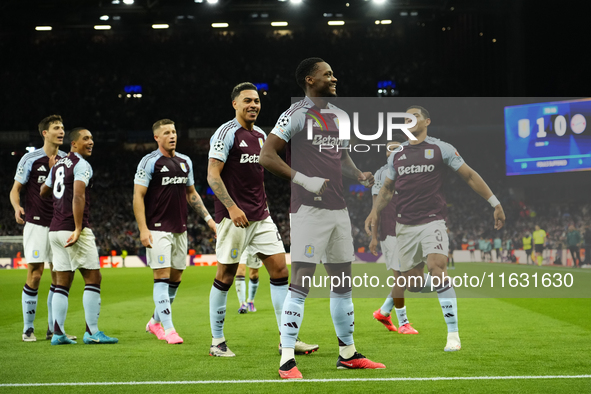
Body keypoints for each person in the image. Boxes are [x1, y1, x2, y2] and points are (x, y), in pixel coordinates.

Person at [260, 58, 385, 379]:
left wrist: (358, 173)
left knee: (343, 282)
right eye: (327, 74)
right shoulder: (296, 115)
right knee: (302, 279)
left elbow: (340, 155)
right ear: (309, 79)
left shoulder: (339, 116)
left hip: (338, 209)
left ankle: (347, 353)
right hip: (308, 210)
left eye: (333, 73)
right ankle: (286, 359)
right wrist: (304, 180)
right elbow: (266, 155)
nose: (334, 77)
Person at [365, 105, 505, 353]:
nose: (410, 119)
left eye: (415, 115)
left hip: (433, 220)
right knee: (413, 283)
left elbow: (470, 176)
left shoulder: (441, 148)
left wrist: (494, 202)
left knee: (436, 267)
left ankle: (453, 335)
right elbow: (386, 190)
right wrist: (374, 213)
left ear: (427, 121)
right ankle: (445, 286)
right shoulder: (396, 155)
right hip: (404, 226)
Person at [207, 82, 318, 358]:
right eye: (247, 101)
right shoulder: (225, 133)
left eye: (256, 101)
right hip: (234, 217)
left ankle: (287, 339)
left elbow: (259, 179)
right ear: (235, 104)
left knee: (280, 270)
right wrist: (231, 207)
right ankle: (217, 341)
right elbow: (212, 175)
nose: (253, 105)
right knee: (226, 276)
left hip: (261, 216)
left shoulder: (260, 135)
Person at [134, 119, 216, 345]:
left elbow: (191, 194)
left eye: (174, 131)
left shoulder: (185, 161)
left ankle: (154, 321)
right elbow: (138, 196)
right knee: (161, 277)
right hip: (157, 229)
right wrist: (143, 229)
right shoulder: (149, 162)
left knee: (176, 277)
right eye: (166, 133)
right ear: (156, 138)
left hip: (180, 229)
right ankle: (169, 329)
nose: (172, 135)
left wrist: (209, 220)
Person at [40, 127, 117, 345]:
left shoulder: (58, 166)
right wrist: (77, 228)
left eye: (92, 138)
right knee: (93, 278)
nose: (91, 142)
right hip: (73, 229)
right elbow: (78, 195)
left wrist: (52, 171)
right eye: (86, 139)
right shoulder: (81, 165)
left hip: (54, 229)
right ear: (73, 144)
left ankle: (57, 333)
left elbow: (43, 192)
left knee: (61, 282)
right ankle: (92, 332)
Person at [10, 115, 74, 342]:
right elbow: (15, 189)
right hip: (36, 224)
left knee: (59, 277)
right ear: (44, 133)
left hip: (59, 225)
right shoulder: (30, 158)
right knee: (35, 274)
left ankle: (54, 329)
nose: (61, 131)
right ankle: (28, 329)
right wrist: (17, 207)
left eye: (63, 127)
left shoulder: (68, 159)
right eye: (57, 127)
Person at [369, 138, 418, 335]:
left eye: (398, 149)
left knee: (408, 277)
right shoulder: (381, 174)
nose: (394, 152)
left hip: (408, 231)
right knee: (401, 277)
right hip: (390, 231)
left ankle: (384, 312)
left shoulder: (409, 172)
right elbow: (375, 207)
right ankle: (404, 323)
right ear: (386, 153)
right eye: (390, 150)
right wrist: (374, 237)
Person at [235, 249, 261, 313]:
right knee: (240, 271)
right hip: (241, 244)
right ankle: (242, 304)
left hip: (254, 244)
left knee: (254, 275)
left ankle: (250, 301)